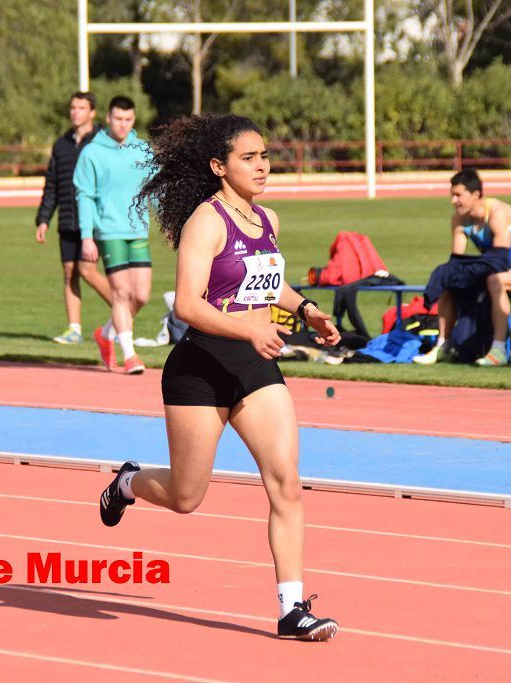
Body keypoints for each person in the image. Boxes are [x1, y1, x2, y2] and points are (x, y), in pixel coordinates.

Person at [98, 113, 341, 640]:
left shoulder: (268, 219)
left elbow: (269, 282)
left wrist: (307, 311)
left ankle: (292, 609)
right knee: (187, 497)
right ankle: (128, 482)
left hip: (255, 368)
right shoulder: (205, 222)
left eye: (265, 156)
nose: (261, 166)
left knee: (287, 485)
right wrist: (245, 330)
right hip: (201, 369)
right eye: (248, 158)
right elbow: (187, 304)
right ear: (218, 166)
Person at [414, 169, 511, 366]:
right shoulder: (459, 219)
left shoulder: (497, 213)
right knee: (449, 279)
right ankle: (443, 345)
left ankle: (499, 349)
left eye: (458, 195)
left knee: (496, 280)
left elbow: (501, 259)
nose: (453, 201)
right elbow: (457, 261)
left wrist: (471, 271)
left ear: (476, 194)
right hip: (497, 271)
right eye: (452, 195)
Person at [74, 96, 154, 375]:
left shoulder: (142, 150)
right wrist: (87, 236)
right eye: (118, 119)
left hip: (138, 229)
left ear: (133, 120)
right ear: (108, 118)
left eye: (128, 119)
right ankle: (130, 355)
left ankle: (107, 333)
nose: (122, 124)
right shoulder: (92, 153)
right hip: (109, 231)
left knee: (141, 296)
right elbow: (84, 196)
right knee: (121, 293)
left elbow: (156, 189)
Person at [35, 91, 113, 344]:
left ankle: (124, 311)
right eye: (73, 107)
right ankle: (74, 329)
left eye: (81, 108)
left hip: (94, 221)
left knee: (87, 270)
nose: (75, 112)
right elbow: (52, 184)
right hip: (67, 219)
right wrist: (43, 219)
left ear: (92, 112)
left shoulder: (104, 142)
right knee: (70, 273)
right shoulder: (61, 145)